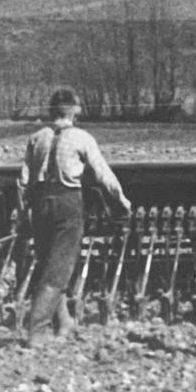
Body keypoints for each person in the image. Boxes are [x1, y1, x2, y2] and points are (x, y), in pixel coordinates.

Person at [17, 87, 131, 346]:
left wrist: (24, 215)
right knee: (58, 270)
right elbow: (103, 174)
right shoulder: (82, 138)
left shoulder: (37, 138)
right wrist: (121, 201)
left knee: (47, 262)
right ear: (75, 110)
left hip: (40, 205)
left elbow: (23, 181)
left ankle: (64, 321)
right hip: (67, 204)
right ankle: (37, 332)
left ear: (51, 111)